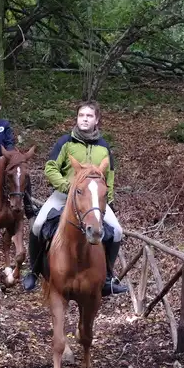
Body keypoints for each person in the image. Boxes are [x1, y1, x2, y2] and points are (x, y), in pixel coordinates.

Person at [22, 101, 129, 296]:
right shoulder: (66, 142)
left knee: (118, 231)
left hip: (93, 200)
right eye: (81, 115)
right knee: (37, 225)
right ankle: (34, 271)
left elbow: (109, 177)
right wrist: (66, 186)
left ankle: (107, 279)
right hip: (64, 195)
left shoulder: (104, 147)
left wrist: (107, 201)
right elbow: (50, 167)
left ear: (96, 120)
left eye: (89, 116)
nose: (84, 119)